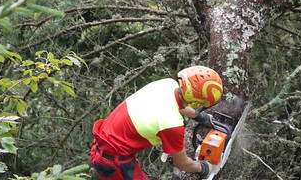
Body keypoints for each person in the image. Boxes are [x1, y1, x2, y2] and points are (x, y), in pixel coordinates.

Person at [90, 65, 224, 180]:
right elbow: (182, 163)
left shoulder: (167, 84)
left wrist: (199, 116)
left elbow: (173, 104)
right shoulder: (172, 125)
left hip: (104, 148)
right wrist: (204, 167)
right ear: (197, 102)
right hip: (114, 161)